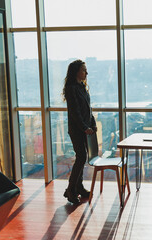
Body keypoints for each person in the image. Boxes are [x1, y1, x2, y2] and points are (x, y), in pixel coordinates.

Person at [62, 59, 97, 204]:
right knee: (81, 157)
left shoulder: (81, 86)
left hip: (85, 129)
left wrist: (92, 124)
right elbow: (75, 112)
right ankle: (71, 190)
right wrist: (84, 127)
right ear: (76, 71)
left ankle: (78, 187)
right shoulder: (71, 89)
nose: (86, 72)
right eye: (83, 70)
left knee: (82, 158)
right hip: (77, 130)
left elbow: (88, 109)